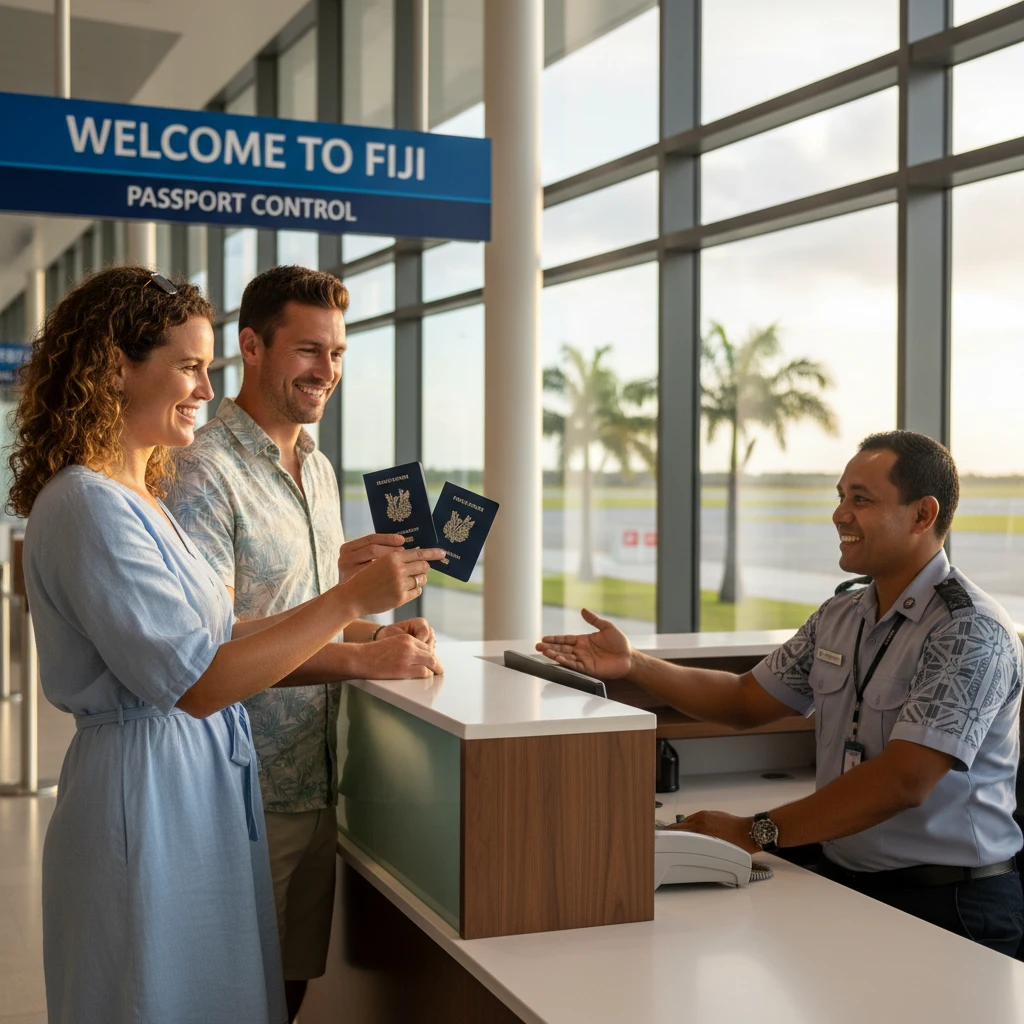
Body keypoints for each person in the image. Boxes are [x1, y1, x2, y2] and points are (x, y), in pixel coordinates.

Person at [11, 266, 445, 1024]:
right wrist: (347, 603)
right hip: (145, 794)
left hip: (193, 780)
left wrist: (353, 611)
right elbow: (198, 680)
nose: (205, 390)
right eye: (188, 367)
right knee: (151, 997)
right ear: (116, 366)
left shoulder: (136, 495)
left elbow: (211, 631)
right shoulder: (87, 504)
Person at [537, 430, 1024, 956]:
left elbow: (905, 780)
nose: (840, 514)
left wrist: (755, 831)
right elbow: (745, 700)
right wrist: (633, 665)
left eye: (860, 499)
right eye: (840, 496)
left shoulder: (968, 629)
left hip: (951, 904)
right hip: (850, 887)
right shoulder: (842, 615)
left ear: (922, 515)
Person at [165, 264, 441, 1022]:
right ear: (251, 347)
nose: (328, 371)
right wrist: (361, 652)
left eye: (339, 353)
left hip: (318, 781)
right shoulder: (201, 470)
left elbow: (301, 613)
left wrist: (381, 631)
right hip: (238, 788)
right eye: (309, 351)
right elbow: (208, 649)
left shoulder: (315, 468)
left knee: (286, 992)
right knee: (228, 999)